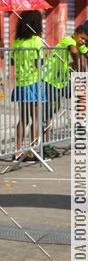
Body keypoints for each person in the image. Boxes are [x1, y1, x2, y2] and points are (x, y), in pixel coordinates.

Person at [42, 25, 88, 158]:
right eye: (82, 38)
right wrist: (79, 67)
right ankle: (45, 145)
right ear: (75, 34)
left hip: (62, 82)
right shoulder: (68, 40)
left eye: (86, 40)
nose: (83, 42)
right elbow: (74, 52)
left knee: (83, 94)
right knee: (49, 113)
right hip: (49, 80)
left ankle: (80, 126)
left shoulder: (79, 44)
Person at [10, 10, 46, 161]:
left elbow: (12, 62)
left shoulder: (17, 42)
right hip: (34, 82)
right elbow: (39, 63)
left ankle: (17, 150)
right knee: (36, 118)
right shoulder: (37, 41)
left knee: (23, 118)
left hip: (20, 84)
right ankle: (32, 151)